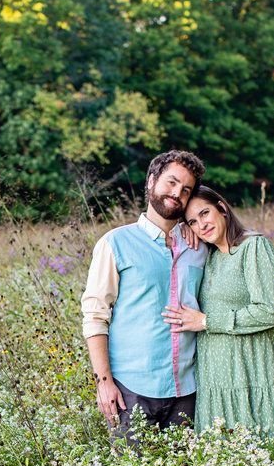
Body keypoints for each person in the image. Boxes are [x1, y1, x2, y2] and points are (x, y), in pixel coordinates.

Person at [81, 150, 207, 448]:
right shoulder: (116, 243)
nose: (177, 193)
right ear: (151, 181)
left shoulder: (199, 246)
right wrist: (104, 383)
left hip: (187, 389)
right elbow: (95, 315)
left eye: (186, 190)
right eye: (171, 182)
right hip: (132, 391)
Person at [162, 185, 274, 438]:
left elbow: (267, 312)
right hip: (215, 377)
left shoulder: (254, 247)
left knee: (260, 446)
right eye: (193, 222)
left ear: (222, 208)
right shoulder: (208, 256)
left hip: (251, 370)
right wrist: (180, 228)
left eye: (205, 213)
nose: (201, 225)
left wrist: (206, 321)